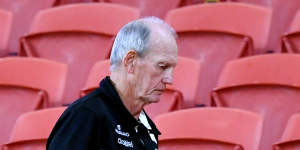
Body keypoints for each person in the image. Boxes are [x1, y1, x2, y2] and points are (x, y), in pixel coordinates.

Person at [46, 16, 178, 150]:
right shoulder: (86, 115)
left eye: (172, 69)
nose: (169, 79)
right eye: (162, 66)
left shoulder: (146, 127)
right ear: (130, 62)